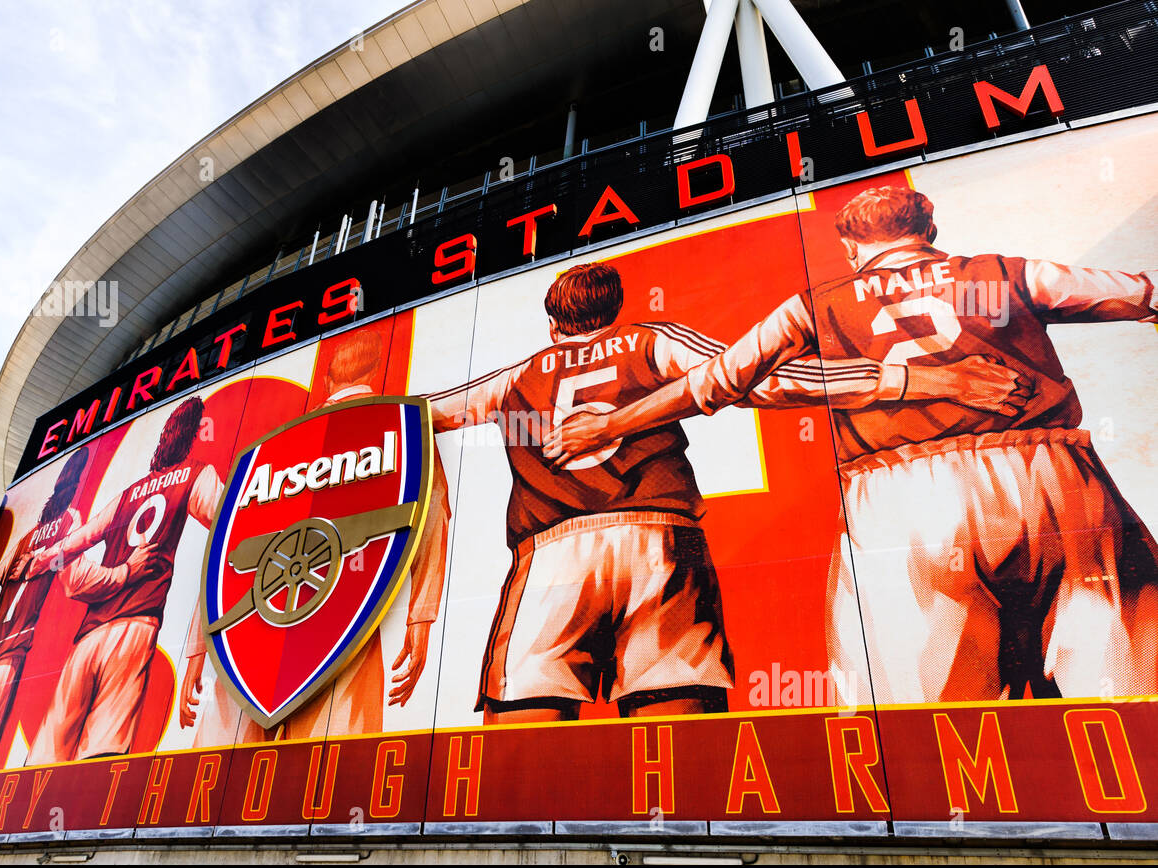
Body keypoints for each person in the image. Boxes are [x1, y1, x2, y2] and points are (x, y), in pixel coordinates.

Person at [545, 186, 1158, 703]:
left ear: (849, 245)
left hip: (900, 493)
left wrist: (612, 424)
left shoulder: (814, 304)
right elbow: (1136, 293)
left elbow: (716, 382)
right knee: (1123, 681)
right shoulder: (1004, 271)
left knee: (922, 717)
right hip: (1050, 471)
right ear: (930, 229)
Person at [429, 260, 1024, 722]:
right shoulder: (651, 341)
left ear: (553, 322)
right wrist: (921, 379)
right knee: (676, 704)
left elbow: (429, 415)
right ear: (614, 309)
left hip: (552, 553)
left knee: (525, 719)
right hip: (660, 538)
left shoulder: (517, 376)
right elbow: (771, 381)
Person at [180, 327, 451, 745]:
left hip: (246, 642)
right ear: (377, 371)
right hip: (348, 629)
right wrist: (421, 617)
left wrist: (201, 647)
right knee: (335, 773)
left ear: (325, 379)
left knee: (217, 780)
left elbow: (223, 549)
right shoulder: (401, 426)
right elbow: (431, 518)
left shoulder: (267, 453)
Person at [0, 448, 162, 778]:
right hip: (6, 663)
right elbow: (73, 576)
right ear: (76, 485)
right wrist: (125, 572)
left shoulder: (25, 540)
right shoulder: (69, 523)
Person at [25, 396, 224, 762]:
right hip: (134, 626)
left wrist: (38, 560)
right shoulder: (196, 475)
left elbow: (75, 542)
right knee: (102, 752)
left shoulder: (127, 495)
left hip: (89, 636)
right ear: (194, 434)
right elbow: (230, 529)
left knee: (48, 755)